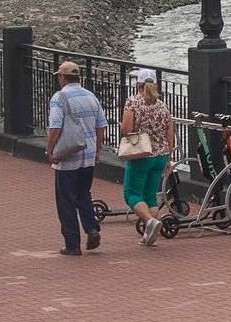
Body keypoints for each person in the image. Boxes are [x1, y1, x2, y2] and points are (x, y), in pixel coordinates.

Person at [46, 59, 107, 256]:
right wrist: (97, 150)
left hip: (67, 156)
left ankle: (72, 244)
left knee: (66, 200)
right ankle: (91, 228)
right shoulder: (90, 96)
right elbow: (101, 126)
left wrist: (50, 150)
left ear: (62, 77)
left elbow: (55, 127)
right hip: (88, 155)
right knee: (83, 194)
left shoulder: (59, 98)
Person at [119, 69, 174, 246]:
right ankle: (149, 235)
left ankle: (150, 222)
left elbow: (126, 130)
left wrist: (122, 127)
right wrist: (169, 157)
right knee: (150, 196)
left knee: (131, 194)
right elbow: (170, 133)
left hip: (141, 155)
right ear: (155, 85)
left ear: (138, 84)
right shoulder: (162, 106)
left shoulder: (133, 102)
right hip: (161, 156)